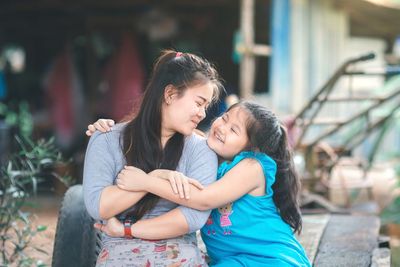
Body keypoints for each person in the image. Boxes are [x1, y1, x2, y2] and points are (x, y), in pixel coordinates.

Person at [89, 101, 311, 266]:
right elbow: (165, 132)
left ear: (252, 148)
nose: (222, 127)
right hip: (231, 261)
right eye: (225, 117)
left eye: (234, 130)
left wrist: (147, 181)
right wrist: (107, 129)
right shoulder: (209, 154)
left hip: (270, 259)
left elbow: (204, 199)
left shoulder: (252, 166)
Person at [83, 50, 223, 266]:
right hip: (119, 253)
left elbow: (194, 217)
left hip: (179, 252)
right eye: (198, 103)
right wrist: (156, 177)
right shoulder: (107, 139)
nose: (203, 114)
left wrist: (128, 226)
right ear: (170, 94)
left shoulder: (201, 149)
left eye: (206, 107)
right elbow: (98, 205)